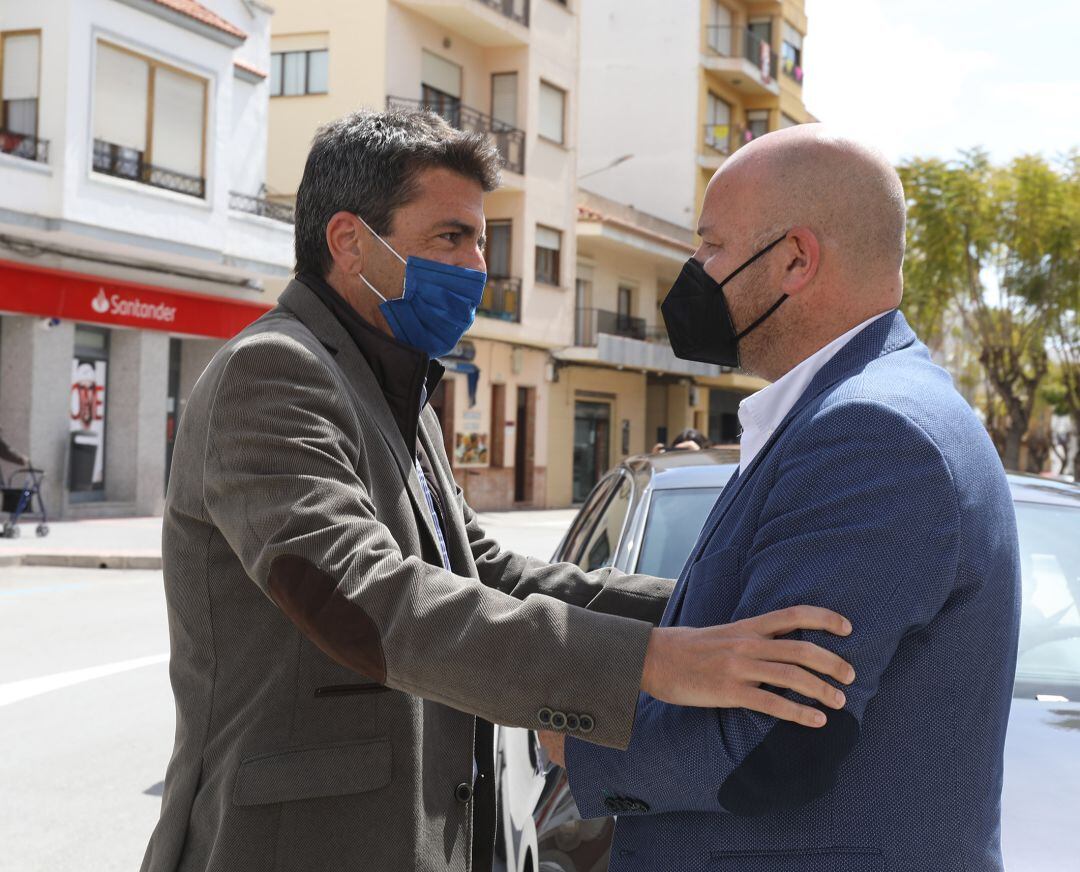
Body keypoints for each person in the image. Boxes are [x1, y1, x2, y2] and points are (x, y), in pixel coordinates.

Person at [140, 111, 855, 872]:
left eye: (481, 240)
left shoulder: (392, 389)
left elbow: (486, 573)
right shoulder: (275, 374)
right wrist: (654, 661)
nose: (478, 265)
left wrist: (707, 606)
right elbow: (361, 598)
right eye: (451, 237)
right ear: (349, 241)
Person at [547, 126, 1021, 871]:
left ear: (796, 259)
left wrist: (575, 743)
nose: (693, 272)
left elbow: (774, 742)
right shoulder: (847, 411)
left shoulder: (874, 431)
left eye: (711, 248)